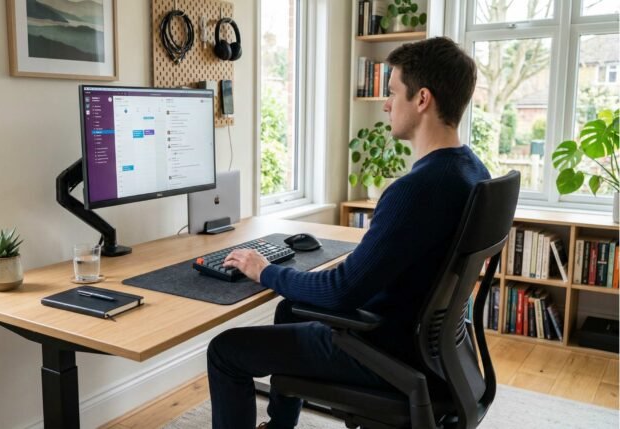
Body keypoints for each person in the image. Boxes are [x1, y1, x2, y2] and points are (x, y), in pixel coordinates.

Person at [207, 37, 491, 429]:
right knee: (288, 309)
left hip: (383, 350)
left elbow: (343, 291)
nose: (386, 104)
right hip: (431, 349)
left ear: (422, 99)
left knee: (225, 350)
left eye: (392, 93)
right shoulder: (473, 172)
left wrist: (265, 270)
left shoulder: (418, 189)